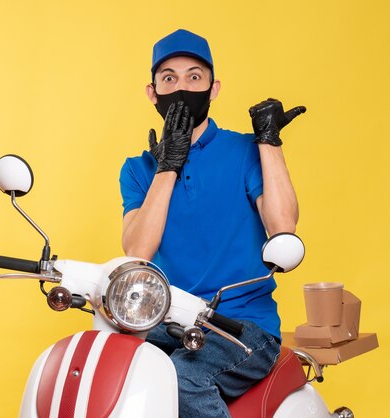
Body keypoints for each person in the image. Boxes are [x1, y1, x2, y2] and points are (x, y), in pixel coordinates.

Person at [119, 29, 306, 417]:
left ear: (213, 88)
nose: (182, 86)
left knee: (182, 380)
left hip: (241, 326)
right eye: (169, 78)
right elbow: (137, 250)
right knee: (110, 365)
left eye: (194, 77)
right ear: (152, 93)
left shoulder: (242, 151)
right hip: (167, 319)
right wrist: (168, 166)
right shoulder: (138, 169)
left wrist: (268, 141)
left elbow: (283, 226)